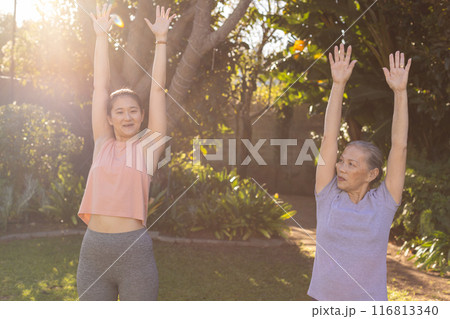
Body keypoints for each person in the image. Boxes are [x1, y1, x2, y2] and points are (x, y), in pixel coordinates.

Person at [76, 3, 175, 301]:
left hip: (134, 254)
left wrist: (161, 40)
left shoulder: (149, 147)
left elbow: (158, 89)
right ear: (109, 118)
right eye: (119, 112)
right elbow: (100, 88)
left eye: (133, 110)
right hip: (92, 253)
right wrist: (101, 37)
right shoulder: (102, 144)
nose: (127, 116)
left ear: (142, 116)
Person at [307, 44, 411, 301]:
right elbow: (330, 136)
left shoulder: (384, 204)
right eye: (342, 161)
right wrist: (338, 84)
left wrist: (400, 92)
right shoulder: (327, 195)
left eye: (352, 164)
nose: (340, 167)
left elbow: (400, 146)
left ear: (372, 174)